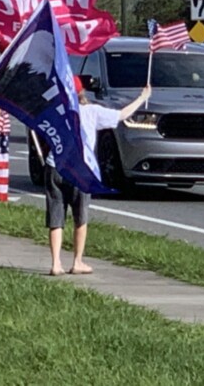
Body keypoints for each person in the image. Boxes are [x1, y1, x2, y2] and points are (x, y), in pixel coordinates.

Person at [45, 77, 151, 276]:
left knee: (55, 216)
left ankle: (55, 263)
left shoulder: (56, 112)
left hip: (55, 165)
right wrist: (142, 97)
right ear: (82, 91)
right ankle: (77, 261)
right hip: (81, 169)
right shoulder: (91, 112)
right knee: (80, 216)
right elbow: (121, 115)